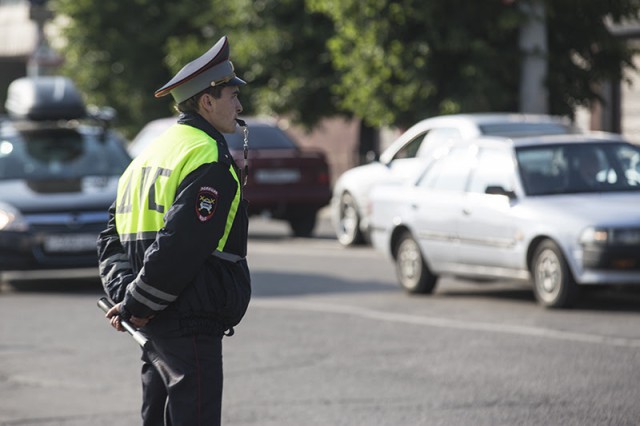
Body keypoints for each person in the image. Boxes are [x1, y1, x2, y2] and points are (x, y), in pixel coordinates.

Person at [97, 35, 251, 426]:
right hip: (189, 320)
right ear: (207, 101)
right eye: (233, 95)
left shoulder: (148, 155)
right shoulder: (206, 155)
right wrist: (137, 305)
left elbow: (110, 240)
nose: (239, 105)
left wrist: (130, 301)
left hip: (154, 323)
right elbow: (183, 243)